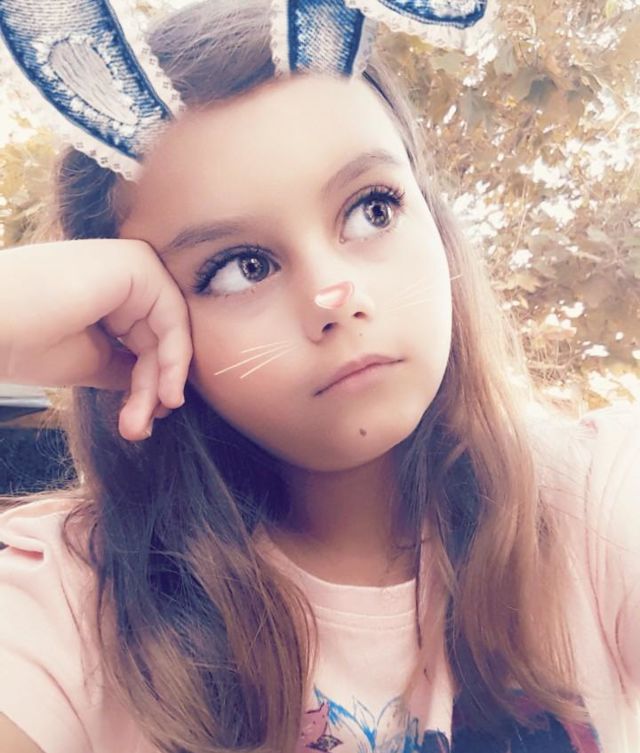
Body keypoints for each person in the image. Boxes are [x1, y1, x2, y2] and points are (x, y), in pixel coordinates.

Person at [0, 1, 638, 752]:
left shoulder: (593, 501)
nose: (334, 298)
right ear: (135, 319)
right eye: (242, 266)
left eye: (372, 210)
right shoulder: (69, 598)